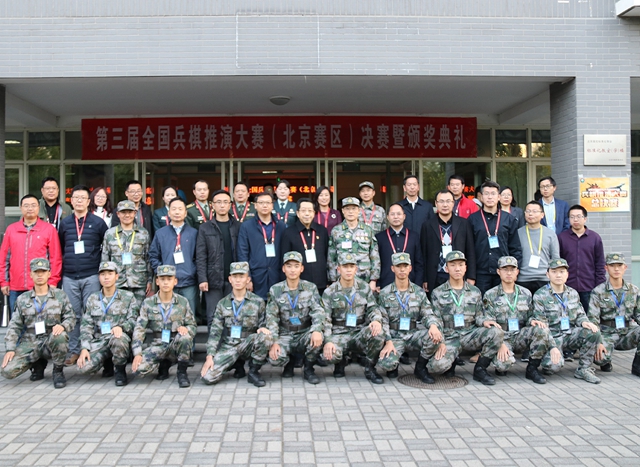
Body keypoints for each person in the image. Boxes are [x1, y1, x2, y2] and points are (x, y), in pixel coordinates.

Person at [428, 251, 505, 385]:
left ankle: (480, 369)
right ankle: (451, 362)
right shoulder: (437, 292)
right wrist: (441, 343)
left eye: (460, 265)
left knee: (496, 332)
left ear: (465, 268)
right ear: (446, 268)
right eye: (453, 265)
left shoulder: (475, 291)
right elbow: (436, 320)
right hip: (450, 336)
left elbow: (479, 316)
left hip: (470, 334)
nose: (457, 269)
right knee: (437, 367)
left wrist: (485, 321)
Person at [482, 256, 561, 384]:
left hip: (521, 335)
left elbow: (531, 315)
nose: (509, 273)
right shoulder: (490, 294)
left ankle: (532, 369)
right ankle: (501, 362)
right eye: (505, 269)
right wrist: (500, 343)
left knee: (541, 329)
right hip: (503, 337)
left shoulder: (526, 293)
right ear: (498, 272)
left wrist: (532, 321)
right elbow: (489, 322)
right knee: (503, 365)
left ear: (517, 272)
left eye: (512, 269)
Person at [1, 258, 75, 389]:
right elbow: (14, 326)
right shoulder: (23, 299)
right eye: (36, 272)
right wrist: (10, 348)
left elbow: (71, 318)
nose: (40, 275)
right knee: (7, 371)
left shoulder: (60, 296)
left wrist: (63, 326)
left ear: (49, 273)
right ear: (31, 274)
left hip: (51, 340)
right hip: (30, 342)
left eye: (43, 271)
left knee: (60, 336)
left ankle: (58, 371)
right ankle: (38, 364)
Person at [59, 185, 109, 366]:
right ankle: (74, 350)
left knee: (93, 314)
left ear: (89, 202)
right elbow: (61, 246)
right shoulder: (65, 223)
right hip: (70, 276)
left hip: (91, 275)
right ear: (71, 201)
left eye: (83, 198)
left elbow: (105, 246)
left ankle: (93, 349)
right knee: (73, 315)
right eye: (76, 198)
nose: (79, 201)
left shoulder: (98, 223)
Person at [200, 261, 271, 387]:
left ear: (248, 279)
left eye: (241, 276)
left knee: (265, 337)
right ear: (230, 279)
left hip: (248, 344)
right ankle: (235, 364)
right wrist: (210, 356)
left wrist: (263, 329)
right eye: (235, 276)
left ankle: (253, 371)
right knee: (207, 377)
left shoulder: (258, 302)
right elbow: (215, 332)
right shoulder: (222, 303)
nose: (238, 280)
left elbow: (263, 325)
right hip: (229, 345)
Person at [532, 258, 602, 384]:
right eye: (554, 272)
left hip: (570, 334)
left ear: (567, 274)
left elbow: (580, 314)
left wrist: (584, 322)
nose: (558, 275)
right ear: (547, 274)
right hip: (552, 337)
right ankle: (549, 358)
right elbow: (542, 326)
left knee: (593, 332)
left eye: (562, 271)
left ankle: (584, 369)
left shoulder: (573, 293)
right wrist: (553, 347)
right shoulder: (540, 295)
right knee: (553, 367)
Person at [376, 253, 440, 384]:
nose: (402, 270)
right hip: (394, 336)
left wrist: (433, 325)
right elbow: (383, 321)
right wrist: (388, 341)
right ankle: (394, 364)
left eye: (405, 266)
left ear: (410, 268)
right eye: (398, 266)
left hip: (413, 334)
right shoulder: (384, 293)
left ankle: (420, 367)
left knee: (435, 337)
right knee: (386, 364)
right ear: (392, 268)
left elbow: (427, 313)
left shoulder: (419, 292)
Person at [322, 253, 386, 384]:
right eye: (345, 267)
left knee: (378, 333)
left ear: (356, 269)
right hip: (339, 333)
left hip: (359, 332)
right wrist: (328, 341)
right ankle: (340, 362)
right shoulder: (330, 292)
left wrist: (376, 320)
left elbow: (373, 308)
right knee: (330, 355)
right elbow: (325, 319)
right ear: (338, 269)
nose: (348, 270)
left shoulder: (364, 288)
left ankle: (370, 368)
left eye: (351, 267)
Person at [131, 265, 197, 388]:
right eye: (162, 279)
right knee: (138, 369)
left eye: (169, 279)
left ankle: (182, 372)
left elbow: (192, 325)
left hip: (176, 343)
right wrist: (137, 353)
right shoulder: (148, 303)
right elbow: (140, 328)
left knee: (185, 337)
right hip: (158, 344)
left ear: (175, 281)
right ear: (157, 281)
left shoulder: (183, 302)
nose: (166, 282)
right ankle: (163, 364)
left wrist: (186, 329)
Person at [266, 252, 326, 384]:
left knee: (319, 338)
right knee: (275, 359)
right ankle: (289, 363)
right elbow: (272, 318)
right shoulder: (275, 290)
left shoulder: (310, 288)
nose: (292, 270)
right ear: (283, 269)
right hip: (285, 333)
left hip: (304, 332)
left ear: (301, 268)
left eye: (296, 266)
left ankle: (308, 369)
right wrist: (274, 341)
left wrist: (316, 330)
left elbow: (318, 311)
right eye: (289, 266)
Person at [76, 261, 138, 386]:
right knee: (83, 368)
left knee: (119, 339)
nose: (106, 277)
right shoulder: (93, 298)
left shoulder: (128, 297)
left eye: (110, 273)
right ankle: (107, 362)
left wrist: (121, 327)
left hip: (119, 339)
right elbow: (86, 325)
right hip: (100, 341)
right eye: (103, 274)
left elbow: (134, 320)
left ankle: (120, 370)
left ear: (116, 276)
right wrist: (84, 348)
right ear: (99, 277)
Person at [0, 194, 62, 313]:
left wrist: (53, 281)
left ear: (38, 208)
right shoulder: (11, 229)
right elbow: (4, 259)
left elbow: (55, 258)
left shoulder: (48, 229)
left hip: (41, 286)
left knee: (41, 321)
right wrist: (4, 281)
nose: (30, 208)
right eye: (26, 205)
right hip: (16, 286)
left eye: (33, 205)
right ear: (21, 208)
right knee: (17, 320)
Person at [467, 181, 522, 295]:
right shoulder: (472, 219)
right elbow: (469, 249)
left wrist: (515, 271)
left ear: (499, 197)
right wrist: (470, 274)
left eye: (493, 193)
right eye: (486, 194)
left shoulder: (509, 219)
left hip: (503, 272)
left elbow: (515, 247)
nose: (490, 197)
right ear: (481, 197)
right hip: (480, 273)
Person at [589, 253, 640, 376]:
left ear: (625, 267)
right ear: (606, 268)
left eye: (619, 265)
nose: (616, 269)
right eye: (612, 266)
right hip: (607, 333)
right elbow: (593, 320)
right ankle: (606, 361)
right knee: (600, 358)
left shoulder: (634, 290)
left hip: (627, 332)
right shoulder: (598, 291)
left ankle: (637, 366)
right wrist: (598, 341)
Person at [196, 189, 240, 329]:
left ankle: (230, 344)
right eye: (218, 202)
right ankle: (213, 343)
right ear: (212, 205)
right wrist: (202, 278)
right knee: (213, 317)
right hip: (212, 279)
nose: (222, 205)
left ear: (230, 205)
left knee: (233, 316)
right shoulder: (205, 228)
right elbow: (201, 255)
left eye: (225, 202)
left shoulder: (238, 226)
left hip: (235, 279)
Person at [421, 189, 476, 297]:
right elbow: (424, 253)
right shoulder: (427, 225)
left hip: (458, 274)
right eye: (441, 201)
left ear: (453, 203)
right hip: (435, 275)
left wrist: (471, 276)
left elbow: (470, 251)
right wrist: (425, 278)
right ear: (436, 203)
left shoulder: (464, 224)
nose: (445, 205)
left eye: (448, 201)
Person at [149, 198, 198, 315]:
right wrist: (161, 272)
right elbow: (153, 255)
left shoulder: (194, 233)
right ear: (169, 213)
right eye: (174, 209)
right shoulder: (161, 233)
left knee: (189, 315)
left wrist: (193, 270)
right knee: (167, 316)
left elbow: (200, 256)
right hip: (167, 282)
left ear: (185, 213)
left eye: (180, 209)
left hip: (188, 282)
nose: (177, 212)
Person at [101, 200, 153, 306]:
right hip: (117, 282)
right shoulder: (110, 234)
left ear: (135, 213)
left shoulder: (143, 233)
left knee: (138, 312)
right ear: (118, 214)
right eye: (123, 212)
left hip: (139, 281)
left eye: (130, 212)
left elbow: (148, 258)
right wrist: (106, 279)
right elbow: (105, 259)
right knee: (118, 311)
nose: (127, 215)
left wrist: (149, 280)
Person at [237, 192, 286, 300]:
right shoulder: (246, 226)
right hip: (256, 276)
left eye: (268, 203)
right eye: (261, 203)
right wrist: (247, 277)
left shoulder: (281, 226)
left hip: (277, 275)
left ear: (272, 205)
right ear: (255, 205)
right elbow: (242, 253)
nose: (265, 205)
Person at [558, 205, 605, 313]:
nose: (575, 220)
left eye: (579, 216)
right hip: (567, 287)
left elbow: (600, 263)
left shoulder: (594, 238)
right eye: (572, 217)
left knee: (590, 317)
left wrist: (599, 285)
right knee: (568, 317)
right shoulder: (562, 237)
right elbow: (558, 263)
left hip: (589, 287)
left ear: (585, 218)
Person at [328, 197, 381, 292]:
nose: (350, 212)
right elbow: (331, 257)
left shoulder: (367, 230)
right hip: (343, 280)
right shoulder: (336, 231)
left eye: (353, 208)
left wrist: (374, 280)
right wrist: (333, 280)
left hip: (364, 278)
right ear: (343, 211)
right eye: (347, 209)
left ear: (359, 210)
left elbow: (374, 255)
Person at [280, 198, 330, 295]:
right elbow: (284, 259)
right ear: (298, 213)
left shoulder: (322, 231)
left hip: (321, 282)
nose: (307, 214)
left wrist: (328, 280)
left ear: (314, 213)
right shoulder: (289, 232)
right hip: (298, 284)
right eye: (303, 211)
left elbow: (327, 255)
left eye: (310, 211)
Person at [375, 203, 423, 290]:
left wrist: (418, 285)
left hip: (410, 285)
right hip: (386, 285)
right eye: (392, 214)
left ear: (404, 216)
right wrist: (378, 283)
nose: (396, 217)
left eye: (399, 214)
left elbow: (419, 263)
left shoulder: (413, 236)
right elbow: (377, 263)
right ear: (387, 217)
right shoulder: (380, 237)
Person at [516, 200, 559, 296]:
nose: (530, 214)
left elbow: (555, 258)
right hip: (523, 279)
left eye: (534, 211)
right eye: (528, 211)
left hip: (544, 279)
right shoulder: (518, 233)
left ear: (542, 215)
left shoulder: (550, 234)